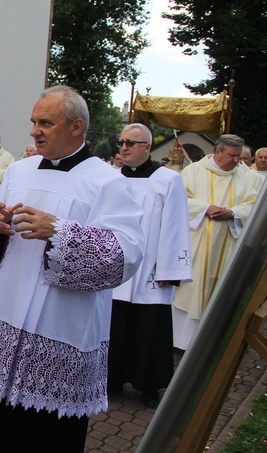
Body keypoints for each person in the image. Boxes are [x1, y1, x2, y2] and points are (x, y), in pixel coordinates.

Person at [0, 85, 144, 452]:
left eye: (45, 122)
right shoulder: (17, 171)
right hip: (1, 326)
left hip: (59, 332)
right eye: (33, 122)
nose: (34, 130)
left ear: (76, 127)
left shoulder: (107, 183)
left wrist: (60, 234)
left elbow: (126, 254)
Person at [108, 124, 193, 408]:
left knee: (149, 327)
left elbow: (176, 225)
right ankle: (111, 380)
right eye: (122, 142)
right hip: (116, 266)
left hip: (150, 270)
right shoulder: (111, 178)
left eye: (131, 143)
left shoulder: (167, 180)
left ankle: (149, 387)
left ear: (147, 146)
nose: (124, 147)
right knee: (114, 324)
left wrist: (171, 271)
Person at [173, 134, 257, 350]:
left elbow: (253, 205)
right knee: (189, 290)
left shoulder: (244, 177)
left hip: (226, 245)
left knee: (217, 291)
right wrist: (205, 208)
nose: (237, 161)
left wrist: (233, 212)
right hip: (195, 243)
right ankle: (179, 341)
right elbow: (178, 198)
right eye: (232, 155)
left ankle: (208, 343)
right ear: (218, 152)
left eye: (239, 156)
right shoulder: (193, 172)